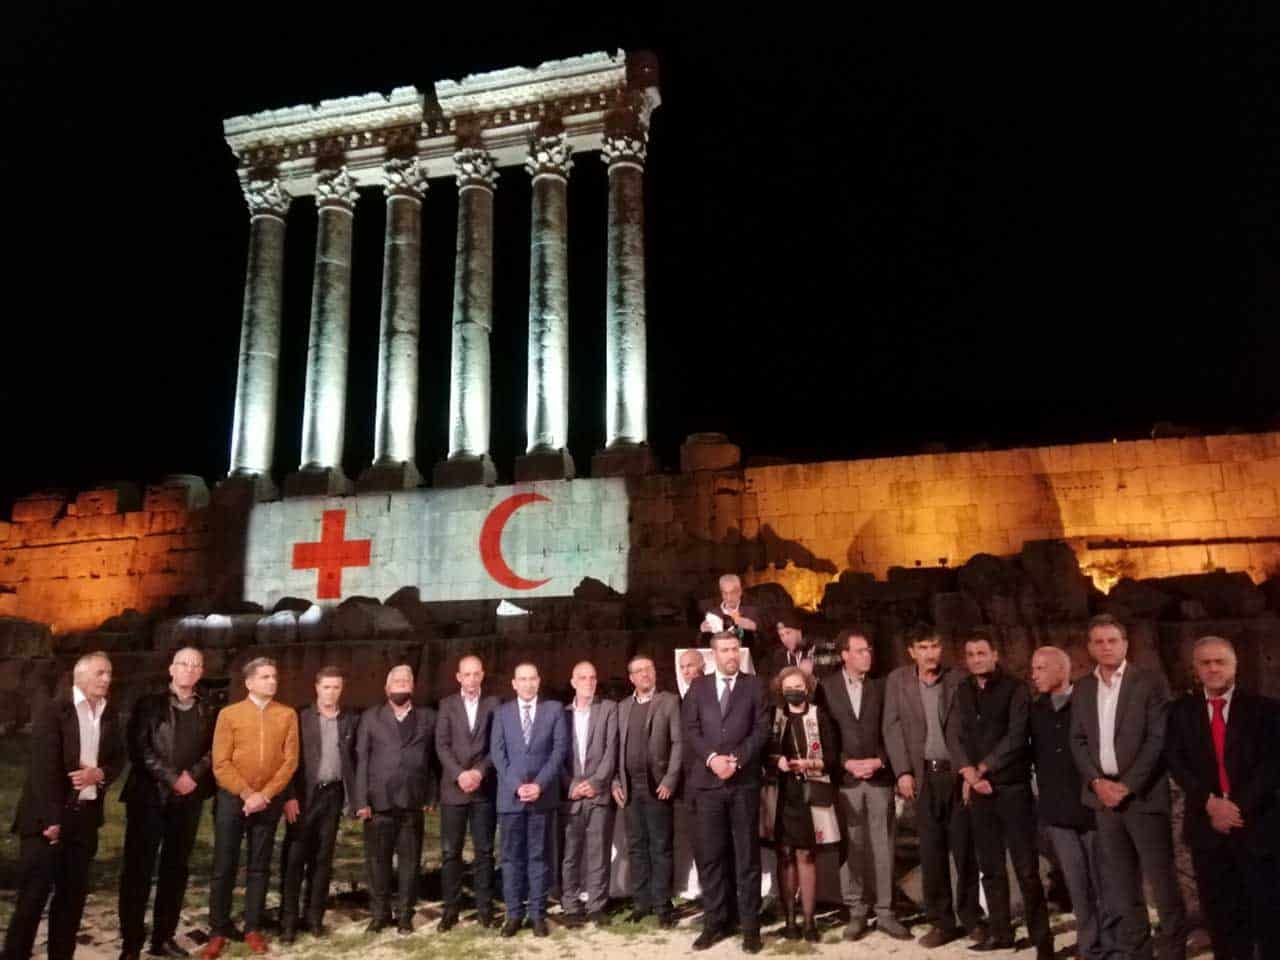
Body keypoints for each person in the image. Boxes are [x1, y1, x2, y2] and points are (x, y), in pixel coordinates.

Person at [1068, 614, 1187, 960]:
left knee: (1161, 881)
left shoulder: (1149, 682)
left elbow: (1157, 739)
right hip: (1103, 799)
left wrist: (1128, 786)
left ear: (1125, 644)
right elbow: (1077, 739)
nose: (1106, 647)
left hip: (1143, 797)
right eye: (1099, 642)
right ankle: (1137, 951)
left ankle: (1173, 951)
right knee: (1122, 884)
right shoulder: (1083, 687)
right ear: (1090, 647)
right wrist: (1097, 782)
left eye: (1112, 640)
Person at [1164, 636, 1280, 960]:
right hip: (1207, 829)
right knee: (1222, 917)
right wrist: (1210, 803)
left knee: (1269, 915)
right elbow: (1176, 761)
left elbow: (1273, 765)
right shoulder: (1179, 712)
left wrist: (1235, 807)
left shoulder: (1266, 710)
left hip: (1256, 825)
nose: (1213, 668)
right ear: (1195, 668)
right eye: (1205, 663)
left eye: (1220, 662)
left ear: (1235, 666)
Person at [4, 653, 122, 960]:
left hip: (85, 820)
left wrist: (100, 774)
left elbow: (118, 758)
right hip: (47, 821)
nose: (106, 679)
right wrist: (52, 820)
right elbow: (42, 770)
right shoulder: (54, 711)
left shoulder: (109, 712)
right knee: (32, 901)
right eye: (100, 673)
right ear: (79, 676)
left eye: (109, 673)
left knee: (71, 901)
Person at [946, 635, 1051, 959]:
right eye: (970, 654)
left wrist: (983, 768)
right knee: (990, 868)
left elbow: (1017, 736)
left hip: (1012, 789)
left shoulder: (1016, 689)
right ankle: (1001, 933)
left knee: (1026, 869)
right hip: (979, 792)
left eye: (982, 653)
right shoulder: (962, 691)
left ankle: (1042, 940)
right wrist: (968, 773)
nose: (976, 659)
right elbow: (954, 734)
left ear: (995, 655)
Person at [882, 627, 982, 948]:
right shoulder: (898, 681)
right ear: (912, 651)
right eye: (923, 647)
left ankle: (971, 917)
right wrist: (903, 772)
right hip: (923, 777)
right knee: (931, 853)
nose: (930, 653)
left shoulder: (958, 679)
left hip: (956, 776)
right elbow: (892, 728)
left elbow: (973, 729)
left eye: (935, 646)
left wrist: (970, 774)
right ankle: (942, 922)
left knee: (964, 851)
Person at [118, 648, 216, 960]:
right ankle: (131, 944)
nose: (189, 669)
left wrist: (193, 776)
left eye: (196, 665)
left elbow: (214, 749)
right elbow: (139, 748)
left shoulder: (208, 708)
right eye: (183, 664)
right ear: (171, 669)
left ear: (201, 672)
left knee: (175, 871)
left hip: (187, 799)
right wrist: (172, 777)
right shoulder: (148, 704)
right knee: (138, 870)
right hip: (149, 797)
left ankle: (163, 938)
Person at [819, 629, 910, 942]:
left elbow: (892, 729)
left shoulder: (881, 687)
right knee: (852, 847)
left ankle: (886, 912)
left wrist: (880, 761)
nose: (866, 655)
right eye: (859, 651)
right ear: (844, 654)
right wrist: (845, 763)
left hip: (879, 777)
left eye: (868, 650)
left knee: (883, 845)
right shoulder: (827, 688)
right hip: (846, 780)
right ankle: (856, 910)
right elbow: (826, 734)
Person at [204, 657, 298, 959]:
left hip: (268, 802)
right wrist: (246, 793)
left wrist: (265, 795)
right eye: (265, 677)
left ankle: (252, 927)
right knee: (224, 865)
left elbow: (290, 761)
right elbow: (220, 762)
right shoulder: (229, 714)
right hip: (233, 800)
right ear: (249, 682)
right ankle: (218, 929)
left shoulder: (287, 714)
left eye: (274, 676)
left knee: (259, 866)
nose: (272, 681)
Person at [682, 630, 769, 954]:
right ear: (714, 655)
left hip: (743, 783)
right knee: (711, 857)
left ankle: (750, 927)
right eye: (725, 650)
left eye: (735, 649)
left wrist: (737, 759)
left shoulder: (754, 685)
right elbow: (691, 729)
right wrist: (712, 759)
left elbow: (762, 728)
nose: (732, 655)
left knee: (747, 857)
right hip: (707, 786)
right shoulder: (698, 687)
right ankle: (715, 922)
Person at [1028, 646, 1107, 960]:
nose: (1034, 675)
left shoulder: (1088, 704)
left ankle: (1111, 942)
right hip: (1057, 811)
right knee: (1077, 884)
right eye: (1033, 668)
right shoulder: (1036, 710)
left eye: (1040, 668)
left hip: (1092, 808)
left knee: (1103, 882)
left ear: (1062, 670)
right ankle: (1090, 946)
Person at [353, 664, 437, 935]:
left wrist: (431, 795)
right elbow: (361, 760)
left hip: (412, 801)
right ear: (387, 688)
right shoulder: (371, 717)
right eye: (396, 680)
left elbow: (432, 760)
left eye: (406, 680)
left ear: (412, 686)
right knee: (377, 862)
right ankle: (379, 914)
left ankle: (405, 915)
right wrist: (360, 801)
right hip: (378, 802)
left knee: (410, 863)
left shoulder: (427, 718)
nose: (401, 683)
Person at [278, 666, 358, 943]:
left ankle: (314, 918)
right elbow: (287, 759)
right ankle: (288, 922)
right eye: (327, 687)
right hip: (303, 796)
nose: (331, 692)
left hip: (332, 795)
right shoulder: (300, 717)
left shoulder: (349, 719)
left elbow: (353, 759)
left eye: (336, 687)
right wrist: (289, 796)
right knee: (294, 859)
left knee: (323, 859)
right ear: (317, 688)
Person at [762, 667, 840, 942]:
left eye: (798, 686)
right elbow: (764, 752)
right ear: (780, 690)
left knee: (806, 855)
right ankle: (789, 921)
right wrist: (777, 761)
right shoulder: (774, 716)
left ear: (807, 688)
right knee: (784, 855)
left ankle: (809, 922)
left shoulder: (819, 715)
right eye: (788, 687)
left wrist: (809, 763)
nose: (793, 691)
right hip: (783, 793)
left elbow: (832, 757)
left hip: (810, 792)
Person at [491, 662, 567, 938]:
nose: (527, 683)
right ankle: (513, 914)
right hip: (511, 799)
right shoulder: (502, 713)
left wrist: (539, 785)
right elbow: (498, 754)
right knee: (511, 859)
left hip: (541, 798)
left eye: (532, 678)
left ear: (539, 681)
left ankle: (537, 914)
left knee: (538, 857)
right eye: (522, 679)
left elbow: (559, 751)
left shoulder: (554, 710)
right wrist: (517, 786)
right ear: (514, 684)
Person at [613, 654, 684, 927]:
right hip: (630, 788)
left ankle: (663, 905)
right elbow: (615, 748)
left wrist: (670, 779)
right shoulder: (622, 707)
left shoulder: (669, 701)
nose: (645, 674)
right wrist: (615, 782)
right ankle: (641, 903)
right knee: (636, 847)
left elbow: (678, 743)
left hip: (658, 787)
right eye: (639, 671)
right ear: (631, 678)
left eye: (649, 669)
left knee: (660, 847)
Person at [435, 654, 499, 931]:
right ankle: (451, 910)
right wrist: (460, 774)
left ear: (482, 675)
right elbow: (441, 745)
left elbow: (497, 745)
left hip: (483, 790)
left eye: (476, 674)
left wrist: (479, 772)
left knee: (484, 852)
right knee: (451, 853)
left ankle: (484, 909)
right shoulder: (447, 705)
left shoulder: (494, 704)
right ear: (459, 677)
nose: (472, 679)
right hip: (454, 789)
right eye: (467, 674)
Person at [560, 661, 618, 927]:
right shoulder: (561, 714)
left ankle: (597, 905)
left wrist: (595, 782)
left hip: (598, 793)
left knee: (598, 852)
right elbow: (557, 756)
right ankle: (571, 905)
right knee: (571, 854)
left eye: (593, 677)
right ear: (573, 682)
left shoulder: (608, 709)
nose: (589, 682)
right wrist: (571, 785)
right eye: (583, 678)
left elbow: (611, 751)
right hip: (571, 795)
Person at [698, 573, 761, 648]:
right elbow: (703, 645)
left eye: (732, 593)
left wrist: (754, 628)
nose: (729, 598)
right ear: (721, 593)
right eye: (725, 593)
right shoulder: (712, 614)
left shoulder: (752, 611)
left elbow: (763, 643)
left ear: (740, 592)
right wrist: (703, 633)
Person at [761, 610, 815, 680]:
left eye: (788, 633)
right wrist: (801, 674)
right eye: (781, 635)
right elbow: (774, 682)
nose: (785, 639)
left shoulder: (814, 651)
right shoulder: (779, 656)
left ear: (799, 632)